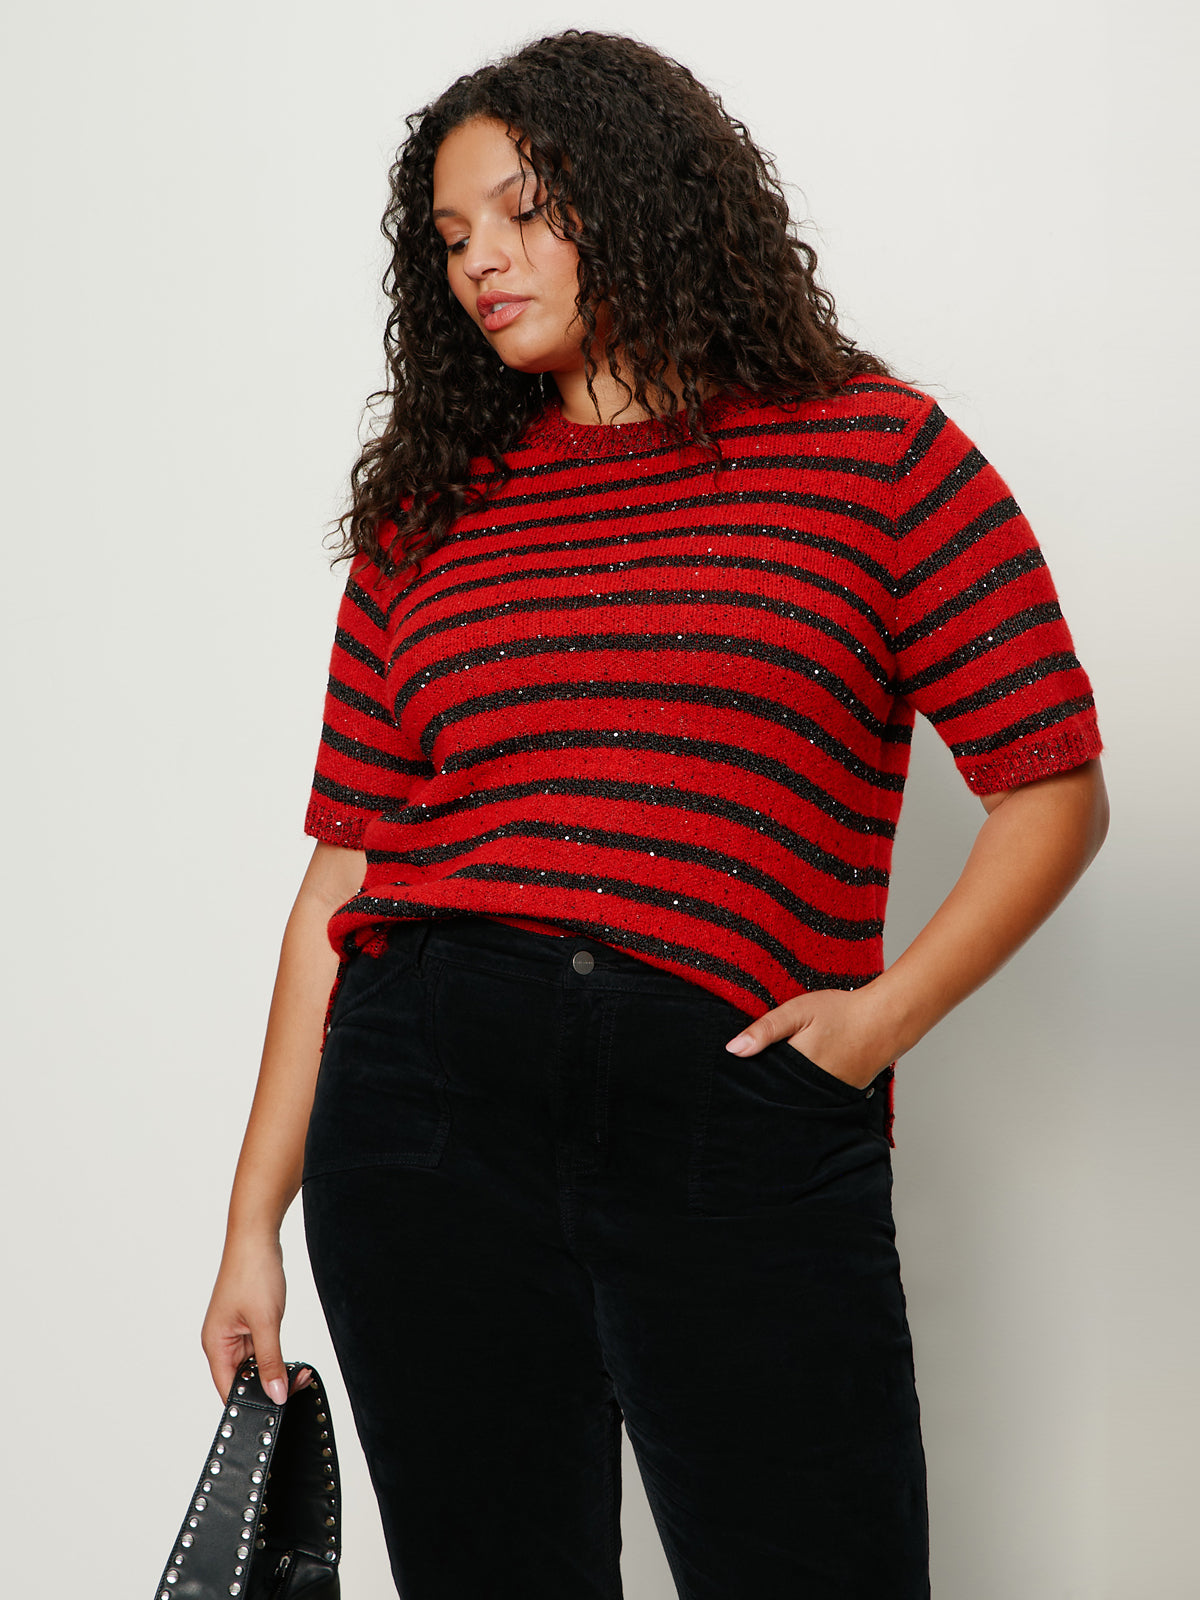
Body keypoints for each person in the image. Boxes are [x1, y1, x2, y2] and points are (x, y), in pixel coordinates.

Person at [201, 28, 1108, 1600]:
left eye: (524, 208)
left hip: (731, 1114)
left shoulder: (871, 451)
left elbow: (1052, 788)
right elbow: (343, 869)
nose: (483, 260)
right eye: (453, 237)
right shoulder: (434, 513)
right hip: (423, 1108)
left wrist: (877, 1023)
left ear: (640, 192)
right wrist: (250, 1223)